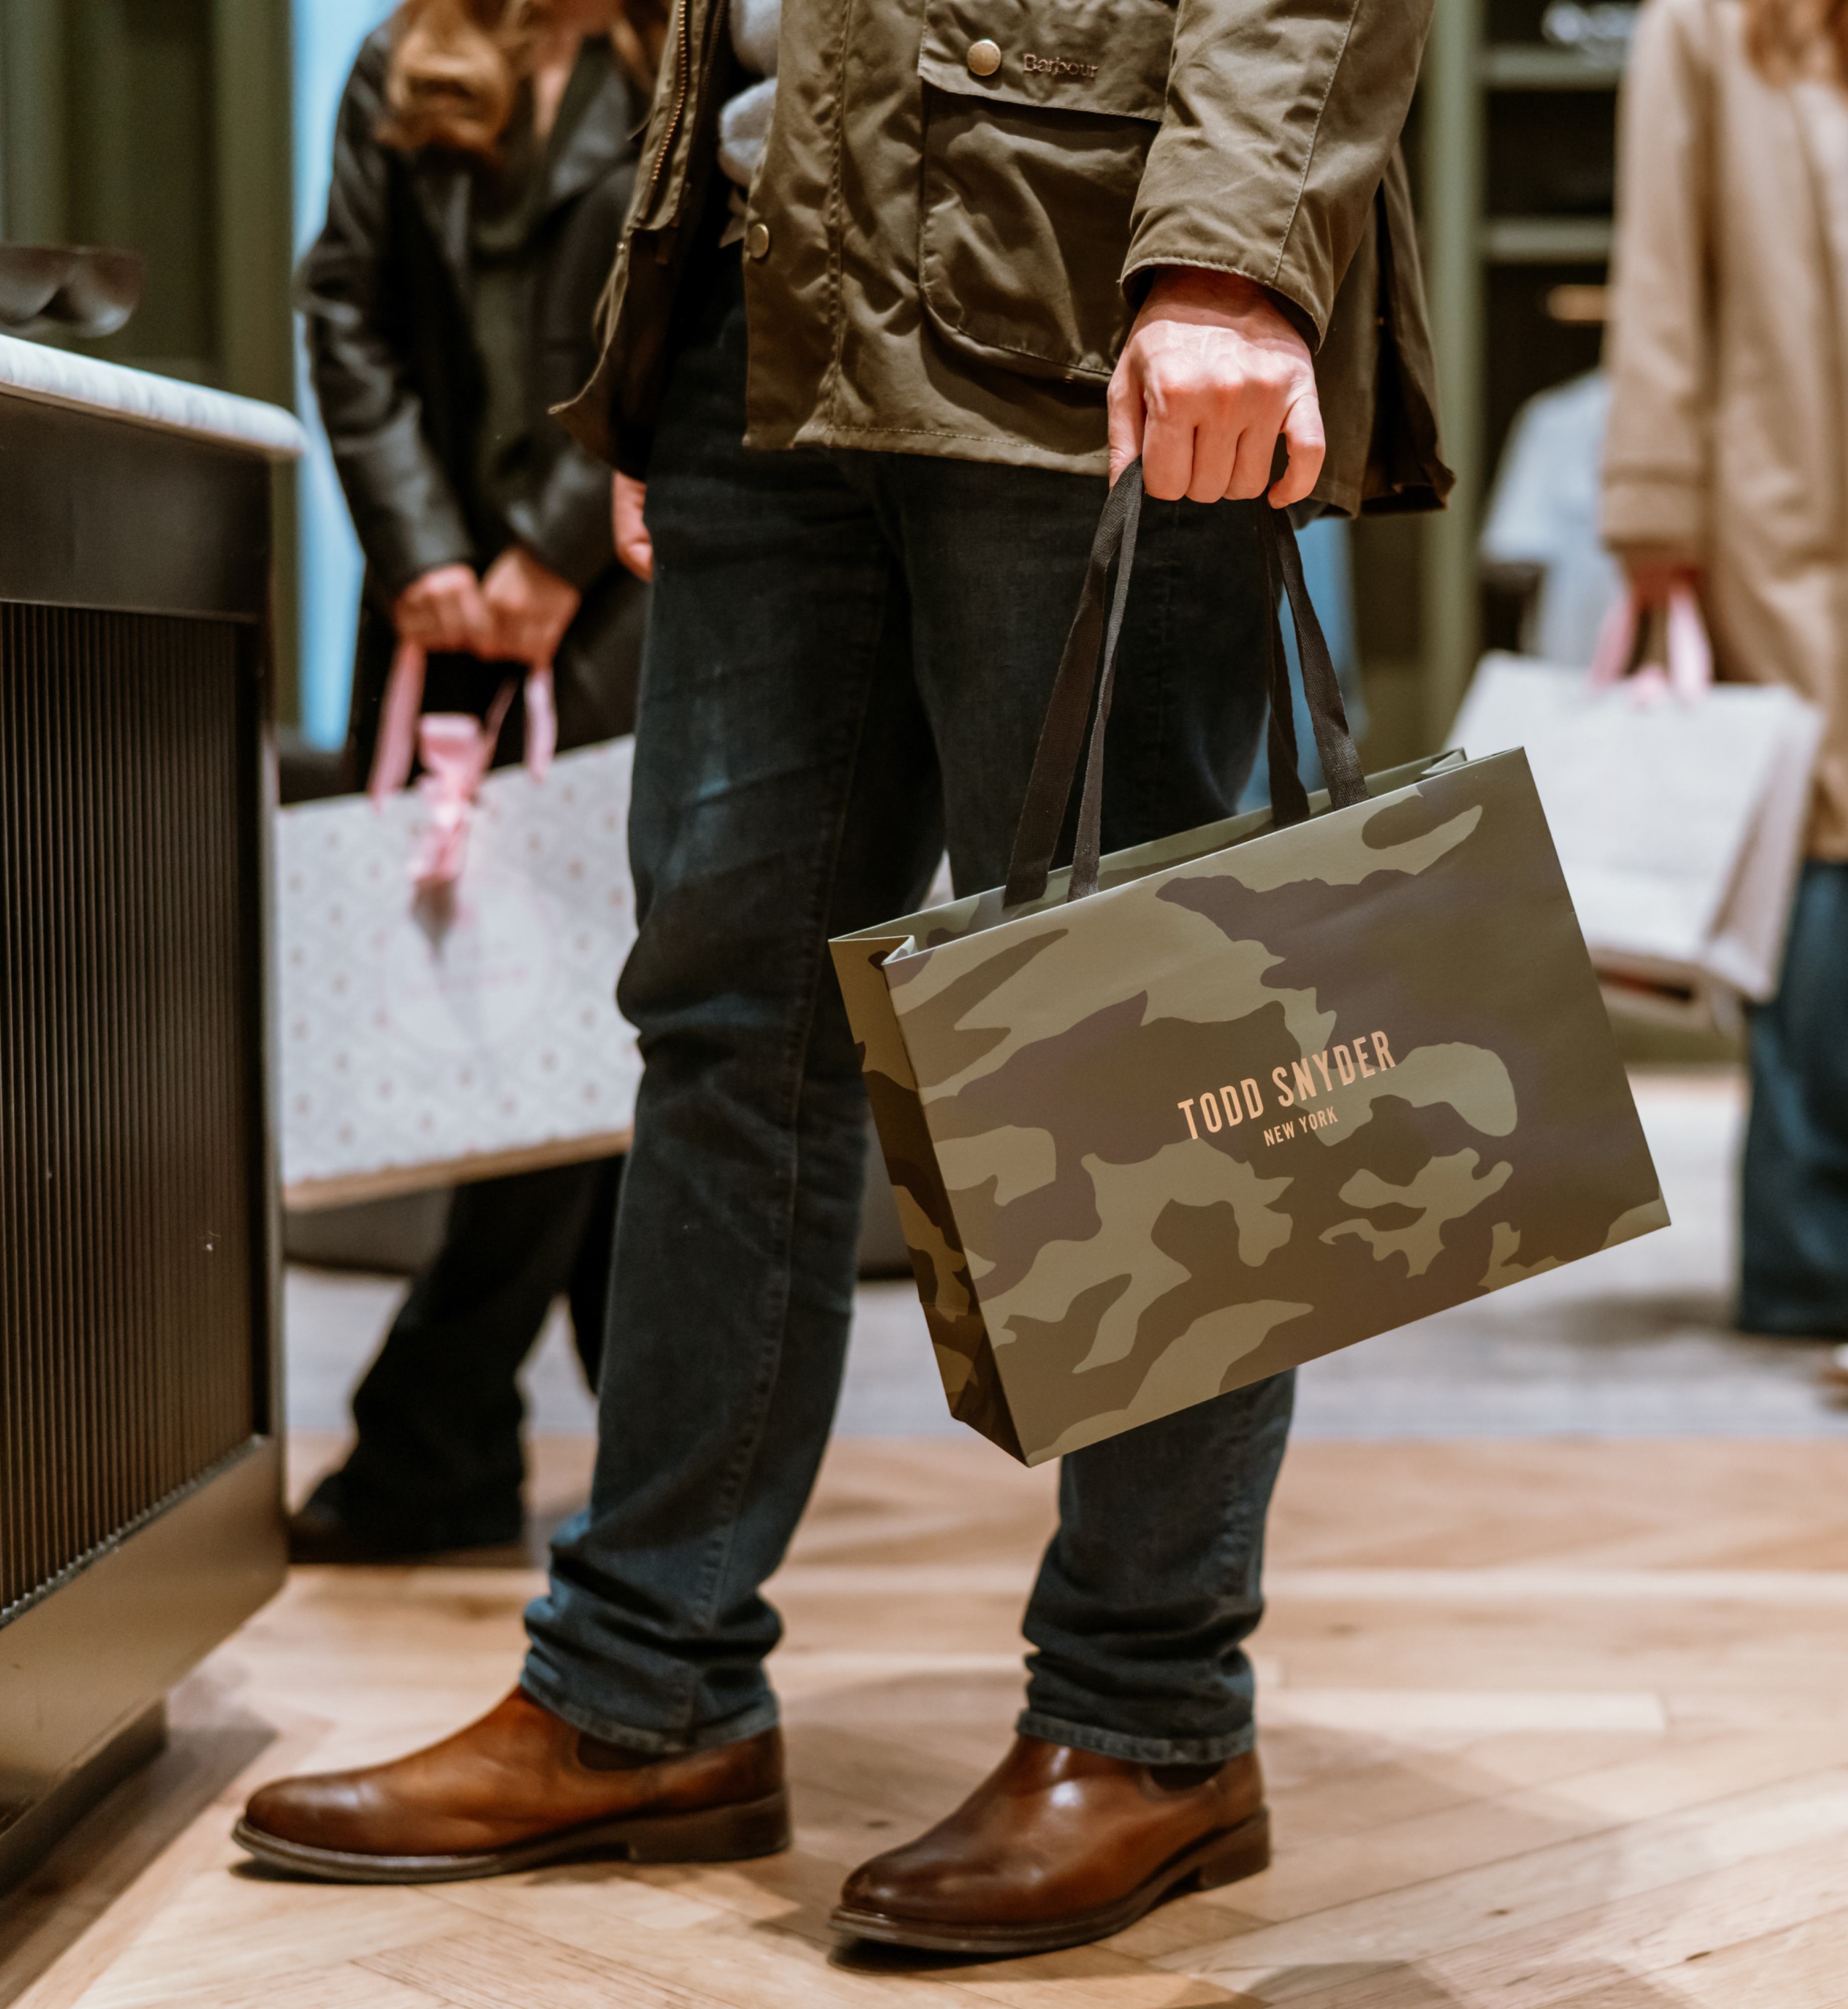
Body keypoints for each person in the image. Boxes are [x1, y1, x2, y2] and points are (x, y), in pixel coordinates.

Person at [237, 0, 1449, 1954]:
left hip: (1075, 274)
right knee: (720, 1031)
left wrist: (1231, 239)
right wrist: (674, 309)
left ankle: (1149, 1714)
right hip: (756, 304)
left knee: (1145, 1022)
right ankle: (644, 1687)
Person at [287, 0, 660, 1563]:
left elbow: (694, 316)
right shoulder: (401, 55)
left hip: (631, 604)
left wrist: (556, 553)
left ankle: (438, 1430)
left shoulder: (701, 51)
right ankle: (610, 1432)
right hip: (437, 624)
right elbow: (347, 315)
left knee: (598, 1028)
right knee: (528, 1033)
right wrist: (427, 552)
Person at [1601, 0, 1848, 1341]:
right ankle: (1813, 1256)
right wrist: (1655, 529)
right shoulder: (1707, 24)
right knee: (1821, 845)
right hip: (1787, 505)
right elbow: (1659, 277)